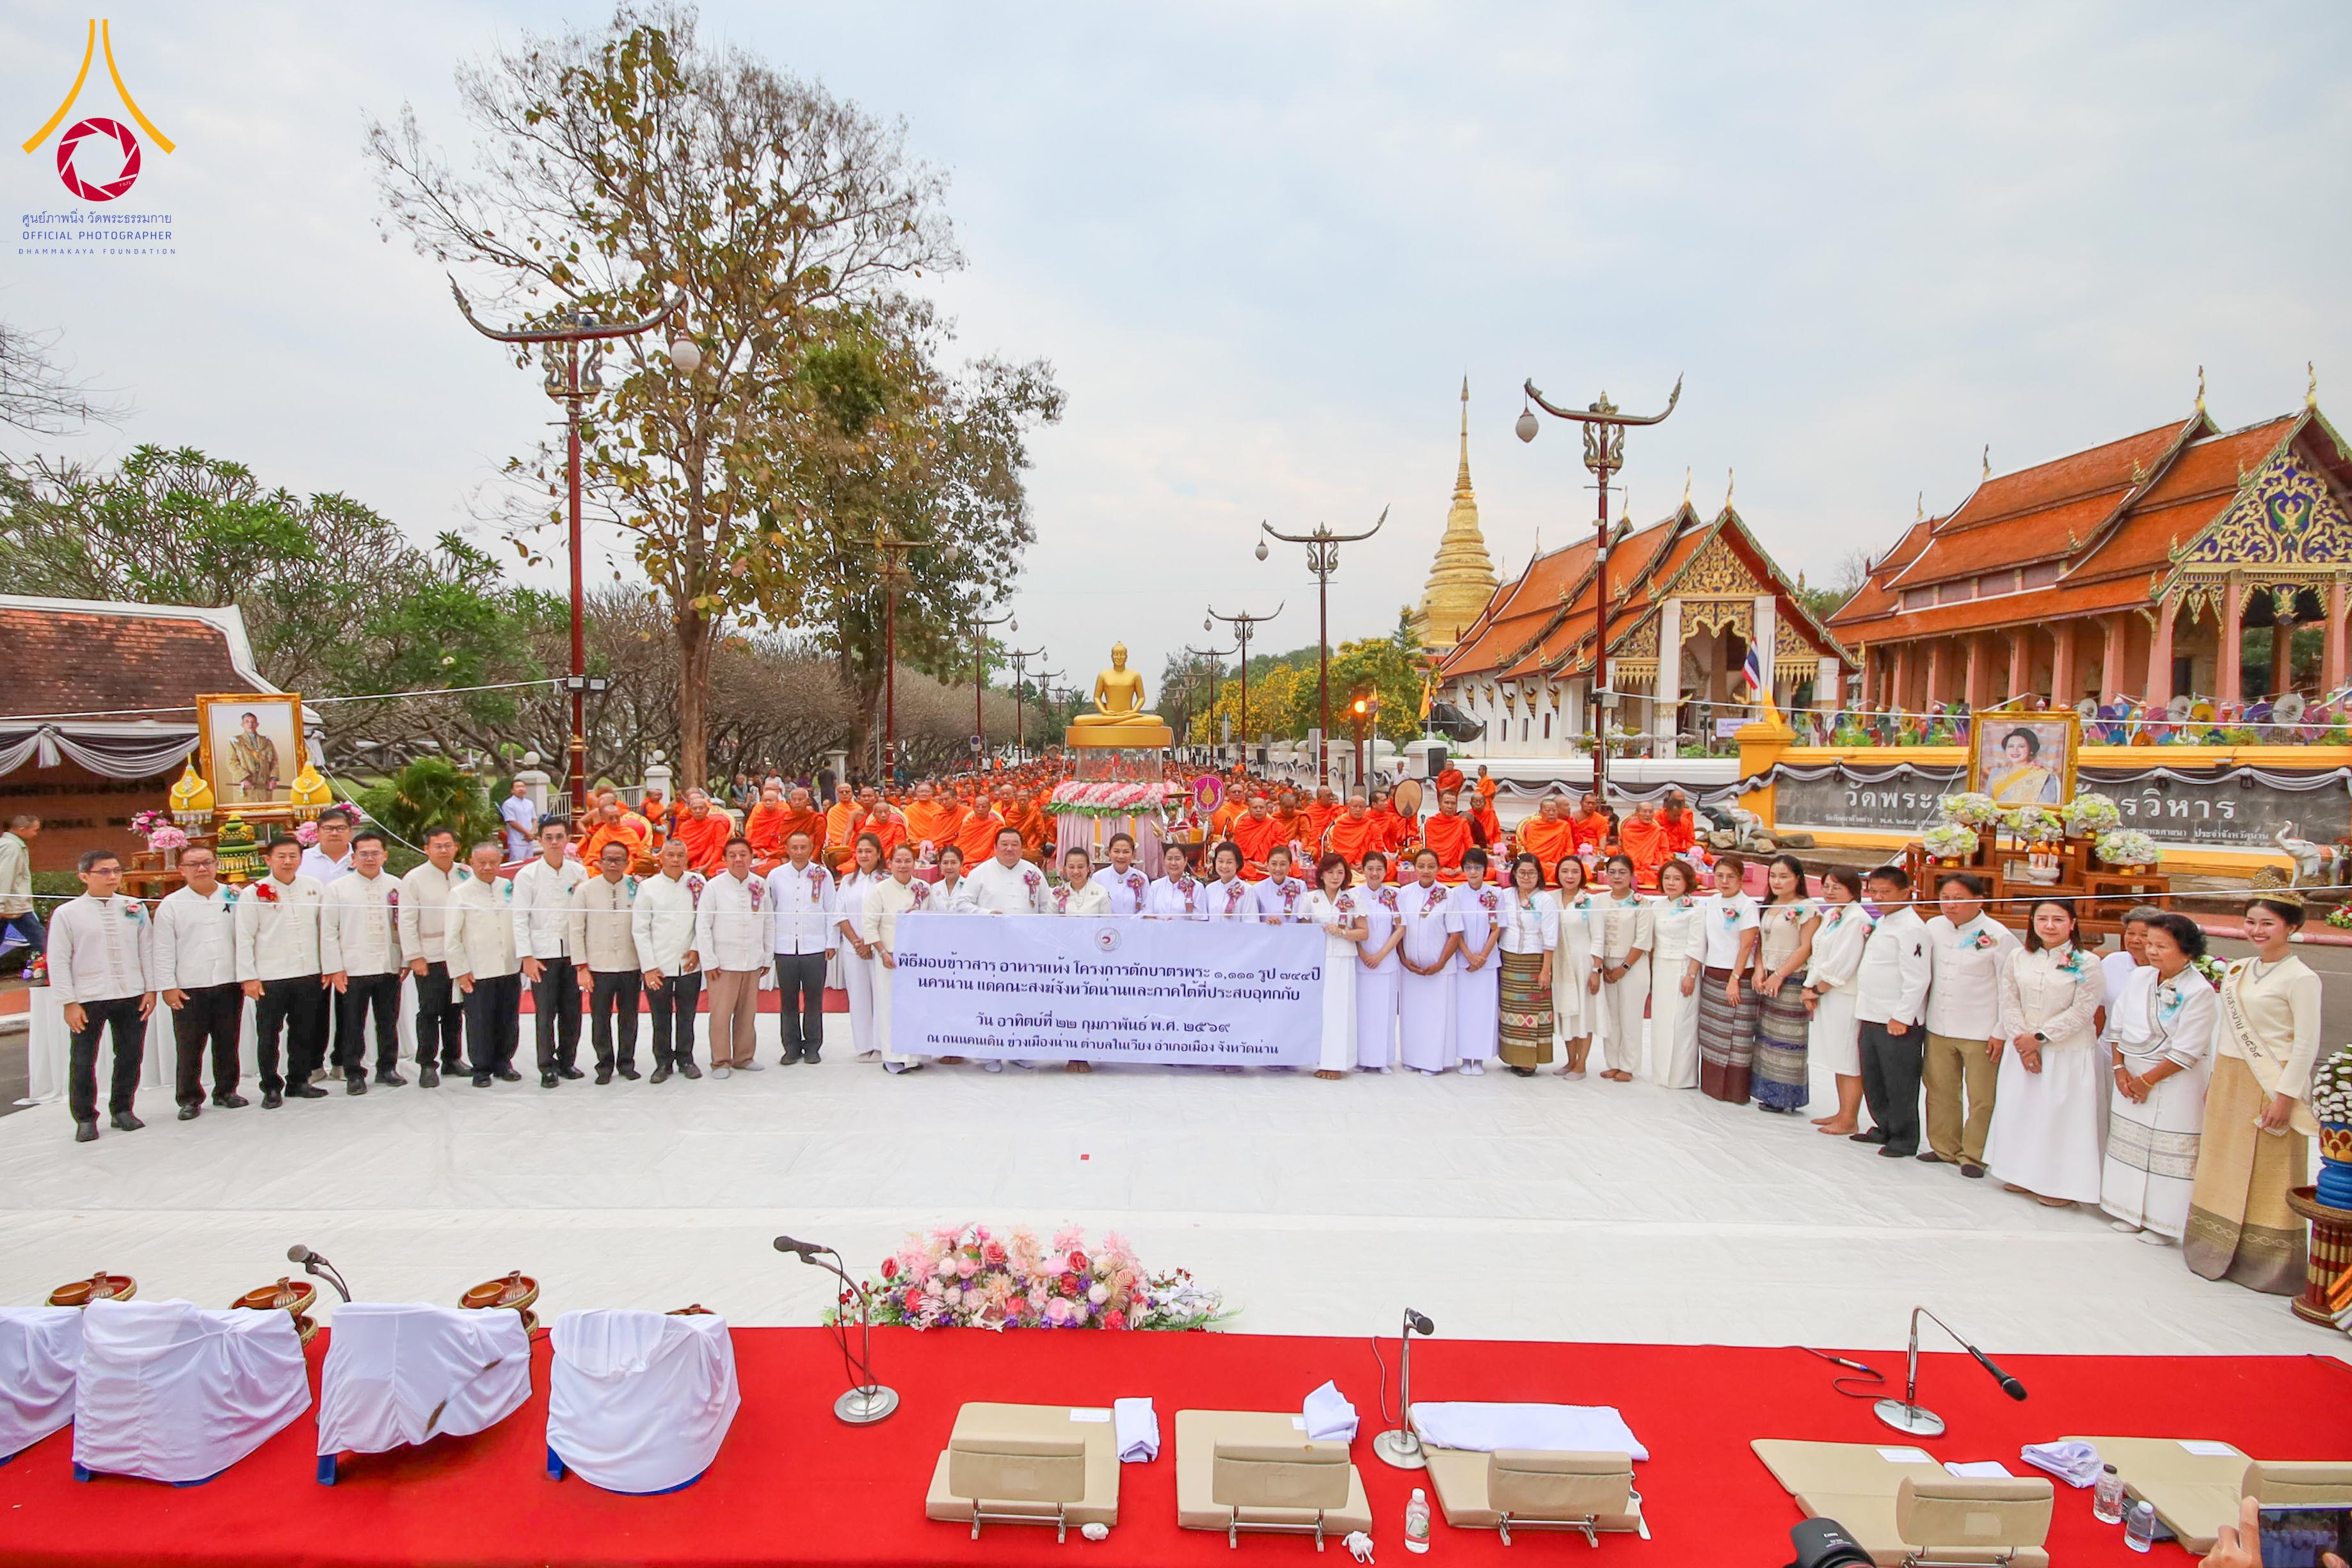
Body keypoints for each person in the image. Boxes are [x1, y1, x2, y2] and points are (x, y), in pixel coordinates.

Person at [2186, 893, 2324, 1294]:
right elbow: (2224, 1031)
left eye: (2267, 923)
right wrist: (2215, 1079)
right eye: (2251, 922)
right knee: (2223, 1162)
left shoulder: (2301, 978)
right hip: (2231, 1078)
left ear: (2291, 928)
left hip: (2272, 1082)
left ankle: (2265, 1263)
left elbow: (2306, 1044)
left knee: (2268, 1170)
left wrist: (2286, 1096)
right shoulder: (2240, 970)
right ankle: (2214, 1246)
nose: (2257, 931)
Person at [2102, 911, 2217, 1245]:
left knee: (2170, 1152)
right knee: (2131, 1144)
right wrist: (2120, 1070)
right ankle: (2128, 1211)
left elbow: (2188, 1049)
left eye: (2161, 946)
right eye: (2150, 944)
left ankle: (2165, 1223)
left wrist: (2147, 1081)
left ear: (2187, 950)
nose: (2151, 951)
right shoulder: (2140, 978)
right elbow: (2116, 1026)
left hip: (2175, 1081)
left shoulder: (2199, 991)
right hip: (2130, 1076)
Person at [1983, 897, 2105, 1207]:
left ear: (2072, 924)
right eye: (2042, 919)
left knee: (2059, 1119)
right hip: (2022, 1049)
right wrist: (2024, 1044)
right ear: (2032, 923)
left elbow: (2083, 1010)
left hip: (2066, 1052)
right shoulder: (2018, 957)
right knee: (2022, 1112)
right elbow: (2009, 1001)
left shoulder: (2088, 962)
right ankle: (2021, 1174)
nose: (2050, 926)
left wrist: (2040, 1038)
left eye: (2058, 919)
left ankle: (2060, 1186)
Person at [49, 848, 155, 1141]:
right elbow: (58, 959)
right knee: (83, 1059)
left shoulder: (135, 907)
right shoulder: (67, 914)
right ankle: (85, 1117)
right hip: (88, 997)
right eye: (104, 872)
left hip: (131, 993)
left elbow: (147, 950)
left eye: (117, 871)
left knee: (130, 1054)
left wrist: (150, 989)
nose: (113, 877)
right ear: (84, 876)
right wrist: (69, 1002)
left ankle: (122, 1109)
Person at [1922, 872, 2017, 1177]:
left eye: (1959, 899)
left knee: (1982, 1097)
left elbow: (2010, 988)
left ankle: (1975, 1154)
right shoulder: (1933, 927)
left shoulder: (1999, 935)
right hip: (1939, 1024)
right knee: (1940, 1089)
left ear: (1979, 901)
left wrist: (2000, 1032)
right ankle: (1944, 1147)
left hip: (1981, 1029)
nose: (1951, 905)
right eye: (1945, 898)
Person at [154, 844, 244, 1119]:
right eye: (194, 864)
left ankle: (226, 1090)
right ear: (182, 870)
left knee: (228, 1041)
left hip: (229, 981)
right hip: (189, 986)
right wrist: (168, 986)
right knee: (190, 1045)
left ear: (217, 865)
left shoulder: (235, 896)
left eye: (207, 862)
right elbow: (163, 949)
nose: (201, 868)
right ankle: (189, 1098)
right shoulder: (171, 905)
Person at [1853, 865, 1933, 1158]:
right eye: (1873, 891)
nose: (1878, 898)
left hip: (1896, 1019)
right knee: (1874, 1078)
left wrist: (1903, 1015)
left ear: (1906, 892)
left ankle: (1904, 1137)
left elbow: (1918, 977)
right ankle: (1883, 1125)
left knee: (1899, 1081)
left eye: (1885, 892)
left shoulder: (1912, 928)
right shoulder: (1885, 921)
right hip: (1872, 1012)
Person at [322, 829, 405, 1093]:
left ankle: (387, 1067)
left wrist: (404, 959)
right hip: (352, 967)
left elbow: (403, 926)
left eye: (375, 853)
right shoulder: (337, 889)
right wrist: (335, 968)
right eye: (364, 854)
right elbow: (328, 931)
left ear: (385, 856)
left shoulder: (397, 886)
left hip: (388, 963)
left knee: (388, 1021)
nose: (370, 858)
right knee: (352, 1023)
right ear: (354, 857)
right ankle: (354, 1072)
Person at [511, 820, 588, 1089]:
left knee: (572, 1012)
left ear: (568, 839)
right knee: (545, 1014)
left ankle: (567, 1061)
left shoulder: (578, 872)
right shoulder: (527, 875)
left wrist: (584, 958)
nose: (554, 842)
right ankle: (547, 1066)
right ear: (540, 840)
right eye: (549, 837)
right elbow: (519, 917)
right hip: (542, 954)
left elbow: (584, 916)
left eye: (559, 837)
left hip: (572, 953)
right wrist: (526, 957)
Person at [1800, 867, 1873, 1135]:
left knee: (1848, 1057)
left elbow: (1844, 962)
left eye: (1837, 887)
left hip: (1844, 994)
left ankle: (1850, 1118)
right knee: (1837, 1056)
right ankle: (1842, 1111)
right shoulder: (1834, 914)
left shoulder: (1857, 919)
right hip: (1827, 992)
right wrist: (1809, 986)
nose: (1829, 892)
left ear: (1853, 890)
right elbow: (1819, 954)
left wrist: (1817, 989)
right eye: (1826, 886)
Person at [445, 840, 522, 1087]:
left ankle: (504, 1063)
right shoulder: (460, 893)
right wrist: (460, 971)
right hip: (478, 969)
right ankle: (481, 1069)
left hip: (509, 965)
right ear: (471, 863)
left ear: (501, 863)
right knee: (480, 1021)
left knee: (508, 1019)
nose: (487, 867)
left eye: (493, 862)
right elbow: (452, 937)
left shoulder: (509, 887)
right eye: (482, 862)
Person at [696, 836, 772, 1080]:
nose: (738, 859)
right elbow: (703, 925)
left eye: (743, 855)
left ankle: (744, 1057)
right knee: (721, 1014)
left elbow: (768, 921)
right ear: (725, 859)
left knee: (747, 1013)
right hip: (723, 962)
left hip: (752, 959)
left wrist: (767, 956)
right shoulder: (714, 886)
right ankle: (720, 1061)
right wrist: (709, 961)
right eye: (733, 855)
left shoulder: (760, 884)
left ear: (751, 857)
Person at [398, 828, 468, 1087]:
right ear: (426, 849)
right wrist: (415, 956)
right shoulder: (414, 878)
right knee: (429, 1010)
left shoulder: (465, 873)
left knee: (455, 1009)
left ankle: (453, 1058)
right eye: (438, 846)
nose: (444, 850)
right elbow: (407, 920)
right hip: (430, 954)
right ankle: (427, 1064)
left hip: (460, 954)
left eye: (448, 845)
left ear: (456, 847)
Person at [1752, 855, 1821, 1114]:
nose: (1777, 881)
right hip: (1768, 977)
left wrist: (1780, 975)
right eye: (1773, 876)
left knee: (1789, 1039)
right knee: (1767, 1037)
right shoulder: (1769, 905)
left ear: (1798, 879)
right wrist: (1760, 969)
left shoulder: (1806, 908)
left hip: (1791, 978)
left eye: (1784, 876)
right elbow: (1761, 942)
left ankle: (1787, 1096)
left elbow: (1806, 947)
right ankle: (1768, 1092)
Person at [632, 837, 705, 1082]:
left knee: (687, 1015)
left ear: (687, 858)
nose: (675, 860)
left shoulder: (698, 883)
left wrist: (697, 949)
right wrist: (649, 967)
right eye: (670, 855)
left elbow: (704, 921)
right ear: (661, 858)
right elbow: (640, 929)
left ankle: (686, 1059)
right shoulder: (648, 887)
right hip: (659, 964)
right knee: (660, 1017)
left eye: (680, 855)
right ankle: (663, 1063)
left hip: (689, 963)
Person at [570, 840, 643, 1084]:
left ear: (627, 862)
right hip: (598, 966)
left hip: (630, 964)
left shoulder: (637, 888)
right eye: (608, 860)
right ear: (600, 862)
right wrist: (582, 967)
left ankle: (626, 1063)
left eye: (618, 860)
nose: (613, 864)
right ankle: (604, 1065)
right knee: (600, 1018)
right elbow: (576, 930)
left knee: (629, 1017)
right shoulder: (585, 890)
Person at [764, 828, 835, 1066]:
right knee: (788, 1000)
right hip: (785, 948)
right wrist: (770, 946)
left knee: (814, 999)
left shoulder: (822, 875)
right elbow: (770, 911)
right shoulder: (776, 876)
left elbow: (831, 909)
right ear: (787, 849)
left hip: (814, 947)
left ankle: (813, 1046)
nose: (799, 852)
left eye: (803, 847)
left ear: (811, 849)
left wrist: (831, 942)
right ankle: (791, 1047)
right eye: (794, 848)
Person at [1695, 854, 1762, 1103]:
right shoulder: (1712, 901)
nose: (1724, 881)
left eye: (1730, 876)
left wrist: (1735, 979)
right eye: (1720, 876)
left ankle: (1735, 1090)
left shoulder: (1748, 905)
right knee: (1713, 1033)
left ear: (1741, 878)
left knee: (1737, 1035)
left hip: (1737, 975)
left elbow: (1746, 946)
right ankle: (1713, 1086)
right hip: (1713, 972)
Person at [862, 843, 933, 1074]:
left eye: (908, 861)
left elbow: (935, 920)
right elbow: (869, 926)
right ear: (890, 863)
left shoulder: (924, 888)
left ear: (915, 864)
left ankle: (915, 1056)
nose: (903, 866)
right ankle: (892, 1057)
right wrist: (883, 952)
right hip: (890, 959)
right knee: (890, 1007)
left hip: (918, 960)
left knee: (916, 1007)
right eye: (899, 861)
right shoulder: (880, 890)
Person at [1302, 852, 1368, 1080]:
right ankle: (1322, 1061)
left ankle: (1338, 1063)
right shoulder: (1310, 898)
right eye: (1330, 872)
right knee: (1319, 1012)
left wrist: (1342, 932)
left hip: (1343, 959)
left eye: (1340, 872)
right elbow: (1302, 930)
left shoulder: (1353, 898)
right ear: (1321, 874)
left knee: (1340, 1011)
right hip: (1317, 961)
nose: (1335, 877)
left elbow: (1364, 932)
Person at [1590, 852, 1653, 1082]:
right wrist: (1600, 967)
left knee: (1630, 1017)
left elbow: (1643, 940)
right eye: (1613, 872)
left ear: (1632, 875)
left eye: (1622, 872)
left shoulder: (1642, 902)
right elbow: (1595, 934)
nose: (1617, 877)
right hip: (1606, 966)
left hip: (1633, 967)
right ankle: (1613, 1063)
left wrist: (1623, 968)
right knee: (1611, 1017)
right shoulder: (1599, 900)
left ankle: (1628, 1066)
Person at [1396, 848, 1459, 1075]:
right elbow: (1399, 929)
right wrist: (1404, 959)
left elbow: (1455, 933)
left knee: (1435, 1016)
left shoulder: (1448, 895)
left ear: (1438, 868)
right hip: (1411, 971)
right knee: (1413, 1016)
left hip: (1438, 971)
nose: (1426, 871)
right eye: (1421, 866)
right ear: (1414, 868)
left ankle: (1433, 1061)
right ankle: (1412, 1058)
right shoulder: (1404, 894)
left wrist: (1440, 963)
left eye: (1431, 866)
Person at [1494, 852, 1558, 1076]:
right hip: (1509, 960)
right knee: (1510, 1011)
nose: (1526, 877)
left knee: (1531, 1012)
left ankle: (1529, 1062)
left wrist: (1546, 970)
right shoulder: (1505, 896)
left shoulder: (1545, 900)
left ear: (1539, 875)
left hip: (1534, 961)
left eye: (1531, 873)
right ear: (1514, 874)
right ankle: (1513, 1057)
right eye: (1522, 872)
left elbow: (1551, 936)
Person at [1645, 859, 1705, 1090]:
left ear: (1687, 881)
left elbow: (1698, 944)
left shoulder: (1696, 908)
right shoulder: (1656, 906)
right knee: (1661, 1021)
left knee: (1682, 1022)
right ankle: (1661, 1073)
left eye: (1677, 879)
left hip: (1683, 968)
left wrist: (1691, 974)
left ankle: (1682, 1077)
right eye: (1667, 878)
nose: (1671, 883)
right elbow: (1652, 942)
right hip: (1661, 967)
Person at [834, 833, 886, 1066]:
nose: (864, 856)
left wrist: (870, 941)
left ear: (878, 854)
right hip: (853, 948)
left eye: (869, 851)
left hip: (879, 948)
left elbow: (887, 914)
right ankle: (864, 1045)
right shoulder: (848, 881)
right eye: (860, 851)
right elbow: (840, 914)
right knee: (858, 997)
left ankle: (881, 1045)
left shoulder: (886, 880)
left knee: (880, 995)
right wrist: (856, 941)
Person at [1354, 851, 1402, 1072]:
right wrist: (1364, 954)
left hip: (1386, 963)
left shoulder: (1394, 895)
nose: (1374, 873)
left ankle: (1382, 1060)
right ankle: (1361, 1059)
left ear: (1386, 871)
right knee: (1362, 1013)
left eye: (1379, 869)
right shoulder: (1353, 895)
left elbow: (1400, 928)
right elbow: (1349, 928)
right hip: (1361, 963)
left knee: (1385, 1013)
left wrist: (1381, 955)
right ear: (1363, 870)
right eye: (1370, 869)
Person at [1549, 856, 1597, 1078]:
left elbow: (1598, 937)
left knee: (1584, 1013)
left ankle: (1582, 1064)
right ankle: (1570, 1060)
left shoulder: (1590, 901)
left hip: (1583, 963)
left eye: (1575, 872)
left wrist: (1596, 970)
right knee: (1566, 1011)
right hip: (1560, 962)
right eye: (1565, 871)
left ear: (1582, 875)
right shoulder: (1550, 899)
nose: (1570, 876)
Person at [968, 826, 1052, 916]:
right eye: (1004, 844)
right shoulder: (979, 872)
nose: (1010, 849)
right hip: (991, 924)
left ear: (1022, 848)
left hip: (1029, 925)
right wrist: (987, 914)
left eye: (1015, 845)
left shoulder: (1034, 871)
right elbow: (963, 904)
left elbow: (1047, 905)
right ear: (995, 847)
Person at [0, 814, 43, 964]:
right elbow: (4, 876)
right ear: (22, 830)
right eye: (35, 830)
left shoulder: (12, 845)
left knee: (41, 940)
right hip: (13, 906)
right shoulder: (11, 847)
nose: (36, 834)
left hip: (12, 905)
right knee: (42, 941)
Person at [1984, 726, 2059, 805]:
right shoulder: (1995, 773)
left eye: (2021, 746)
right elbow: (1987, 803)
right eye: (2011, 746)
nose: (2015, 750)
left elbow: (2047, 807)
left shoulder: (2043, 776)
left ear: (2031, 749)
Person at [671, 788, 733, 875]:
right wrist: (684, 869)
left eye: (701, 808)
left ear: (707, 810)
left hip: (711, 862)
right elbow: (684, 851)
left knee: (724, 868)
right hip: (691, 862)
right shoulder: (685, 827)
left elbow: (719, 848)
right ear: (690, 811)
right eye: (695, 809)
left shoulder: (717, 824)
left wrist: (706, 866)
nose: (698, 811)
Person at [1421, 790, 1476, 881]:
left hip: (1459, 868)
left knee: (1490, 872)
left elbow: (1470, 849)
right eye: (1447, 803)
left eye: (1453, 803)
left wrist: (1461, 868)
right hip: (1437, 868)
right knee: (1427, 873)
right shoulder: (1431, 823)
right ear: (1440, 804)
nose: (1450, 807)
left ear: (1457, 806)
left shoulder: (1462, 823)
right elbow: (1430, 849)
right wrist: (1440, 868)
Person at [1091, 833, 1151, 915]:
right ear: (1109, 853)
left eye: (1126, 852)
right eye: (1116, 851)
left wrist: (1133, 920)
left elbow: (1146, 907)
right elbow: (1094, 907)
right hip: (1106, 923)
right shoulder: (1098, 877)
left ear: (1133, 854)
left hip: (1135, 923)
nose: (1121, 856)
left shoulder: (1141, 877)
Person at [299, 806, 356, 884]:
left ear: (350, 831)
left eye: (341, 828)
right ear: (317, 832)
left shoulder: (362, 857)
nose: (334, 833)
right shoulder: (301, 859)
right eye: (328, 829)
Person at [1254, 845, 1310, 924]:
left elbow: (1305, 918)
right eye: (1274, 864)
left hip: (1295, 931)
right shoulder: (1257, 889)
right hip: (1267, 931)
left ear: (1290, 866)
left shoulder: (1300, 886)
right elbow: (1253, 920)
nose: (1278, 869)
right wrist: (1265, 924)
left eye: (1283, 864)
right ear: (1268, 865)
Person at [1203, 840, 1258, 921]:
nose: (1224, 866)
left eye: (1229, 862)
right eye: (1220, 861)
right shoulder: (1210, 889)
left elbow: (1251, 921)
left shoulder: (1247, 890)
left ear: (1237, 864)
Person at [1147, 841, 1203, 919]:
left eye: (1177, 859)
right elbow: (1149, 916)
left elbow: (1199, 919)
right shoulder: (1155, 886)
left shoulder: (1197, 887)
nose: (1173, 863)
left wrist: (1176, 925)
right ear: (1164, 860)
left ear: (1185, 861)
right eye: (1169, 859)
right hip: (1158, 927)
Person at [500, 779, 540, 861]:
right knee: (517, 863)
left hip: (530, 840)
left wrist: (532, 833)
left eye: (523, 787)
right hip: (517, 841)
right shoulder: (508, 804)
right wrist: (528, 834)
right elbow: (512, 822)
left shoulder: (530, 803)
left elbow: (534, 819)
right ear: (512, 790)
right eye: (518, 787)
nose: (521, 789)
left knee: (529, 863)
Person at [931, 843, 976, 911]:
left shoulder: (970, 886)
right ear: (940, 865)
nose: (949, 867)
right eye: (945, 863)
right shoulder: (934, 888)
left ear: (961, 864)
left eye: (954, 863)